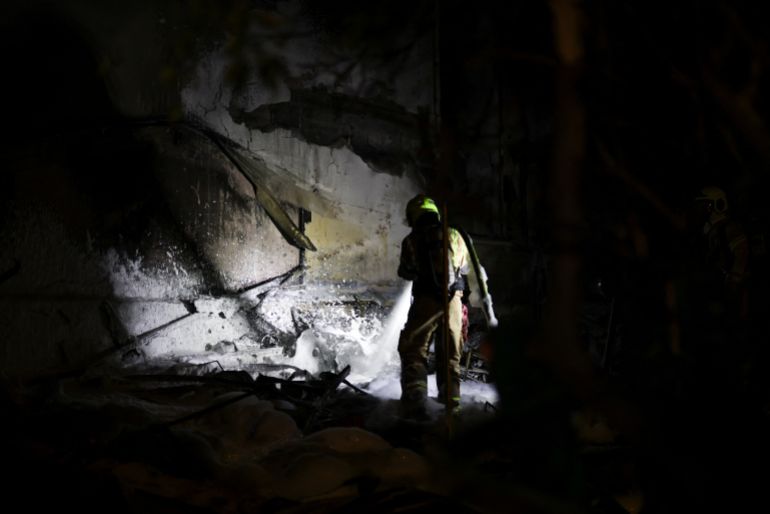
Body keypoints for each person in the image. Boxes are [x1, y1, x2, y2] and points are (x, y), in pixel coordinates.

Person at [396, 194, 470, 419]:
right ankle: (452, 406)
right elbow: (464, 269)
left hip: (426, 299)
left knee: (414, 349)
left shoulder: (411, 240)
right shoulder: (456, 234)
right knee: (450, 355)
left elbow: (406, 271)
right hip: (454, 301)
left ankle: (416, 403)